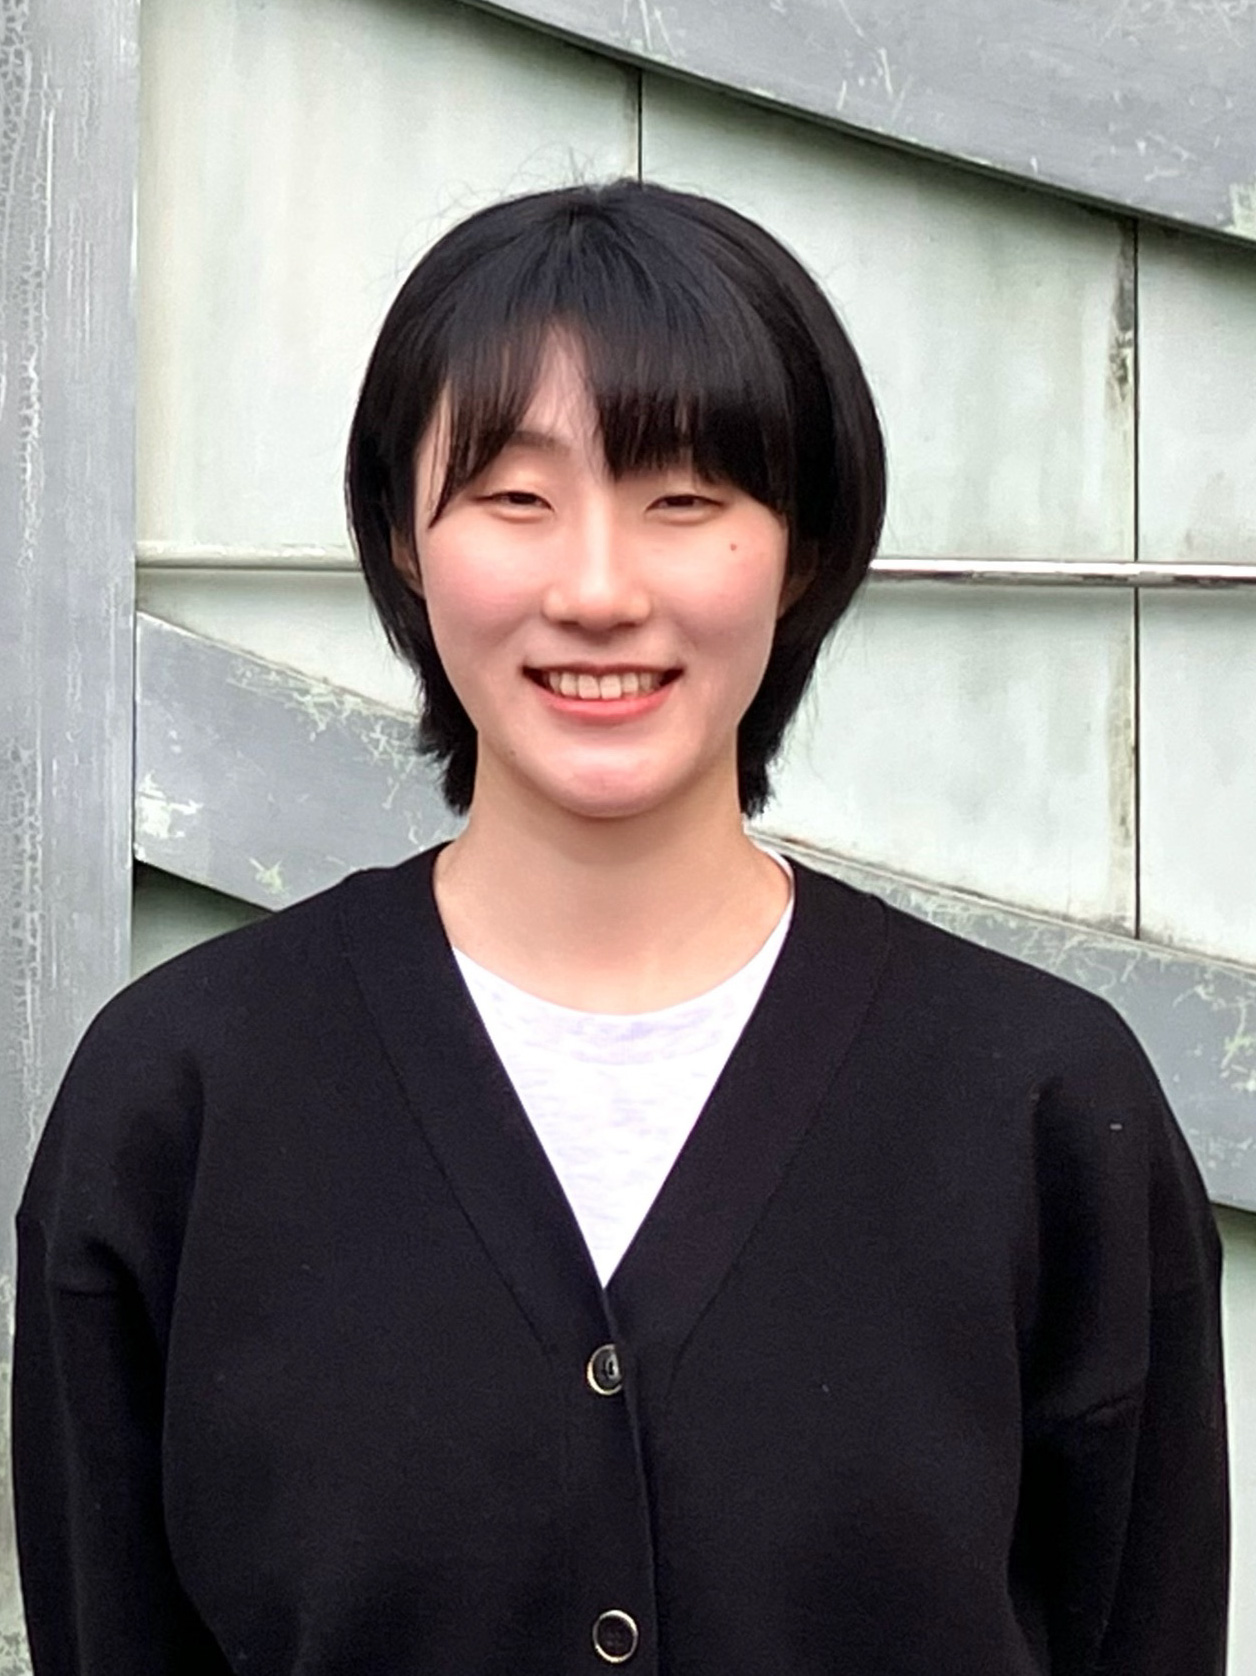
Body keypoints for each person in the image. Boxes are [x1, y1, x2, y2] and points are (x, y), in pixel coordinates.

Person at [13, 180, 1228, 1675]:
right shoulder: (180, 1101)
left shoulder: (1042, 1107)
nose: (598, 590)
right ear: (402, 537)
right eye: (515, 501)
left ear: (802, 544)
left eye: (686, 501)